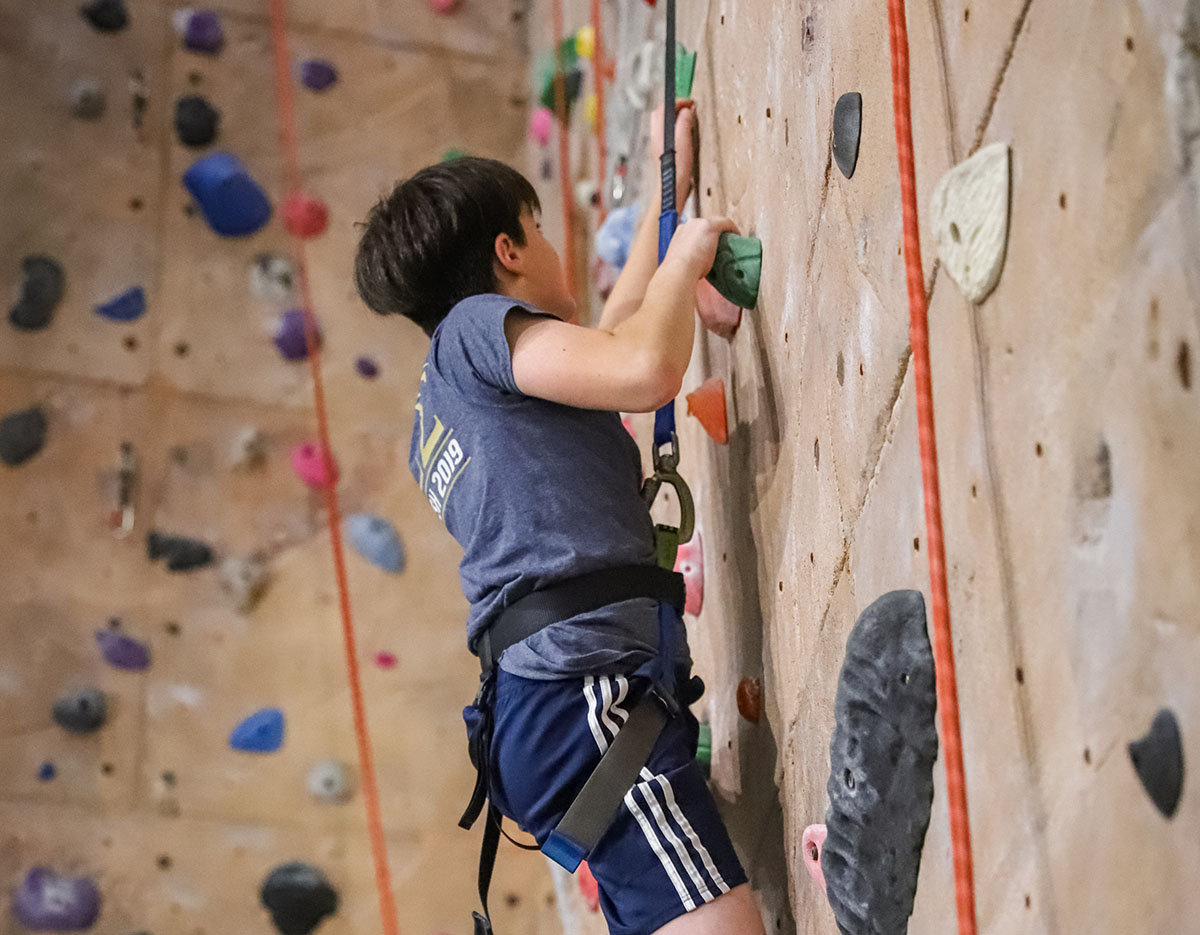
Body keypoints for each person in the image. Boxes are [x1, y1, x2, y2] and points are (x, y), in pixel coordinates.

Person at [354, 104, 765, 935]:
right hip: (578, 687)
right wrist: (688, 252)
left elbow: (614, 333)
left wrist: (666, 191)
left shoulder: (440, 409)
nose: (551, 250)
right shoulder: (473, 334)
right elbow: (642, 363)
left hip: (547, 702)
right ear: (508, 251)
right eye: (537, 232)